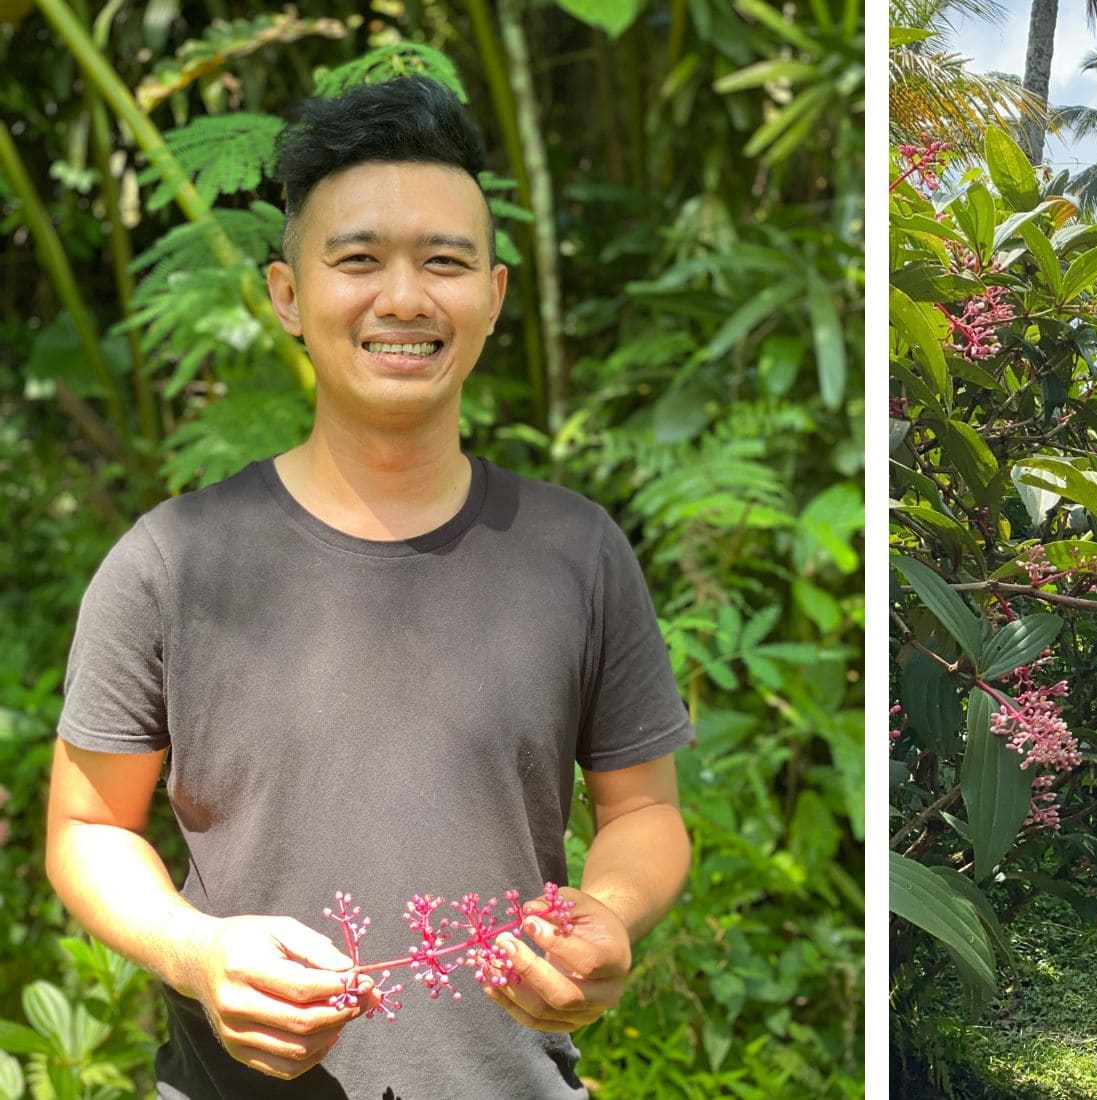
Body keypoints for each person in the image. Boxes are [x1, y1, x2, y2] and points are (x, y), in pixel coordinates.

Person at [45, 76, 693, 1099]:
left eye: (445, 261)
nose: (403, 298)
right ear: (287, 294)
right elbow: (86, 827)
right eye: (358, 260)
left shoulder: (576, 551)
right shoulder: (172, 560)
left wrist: (605, 911)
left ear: (494, 295)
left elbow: (645, 807)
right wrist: (193, 952)